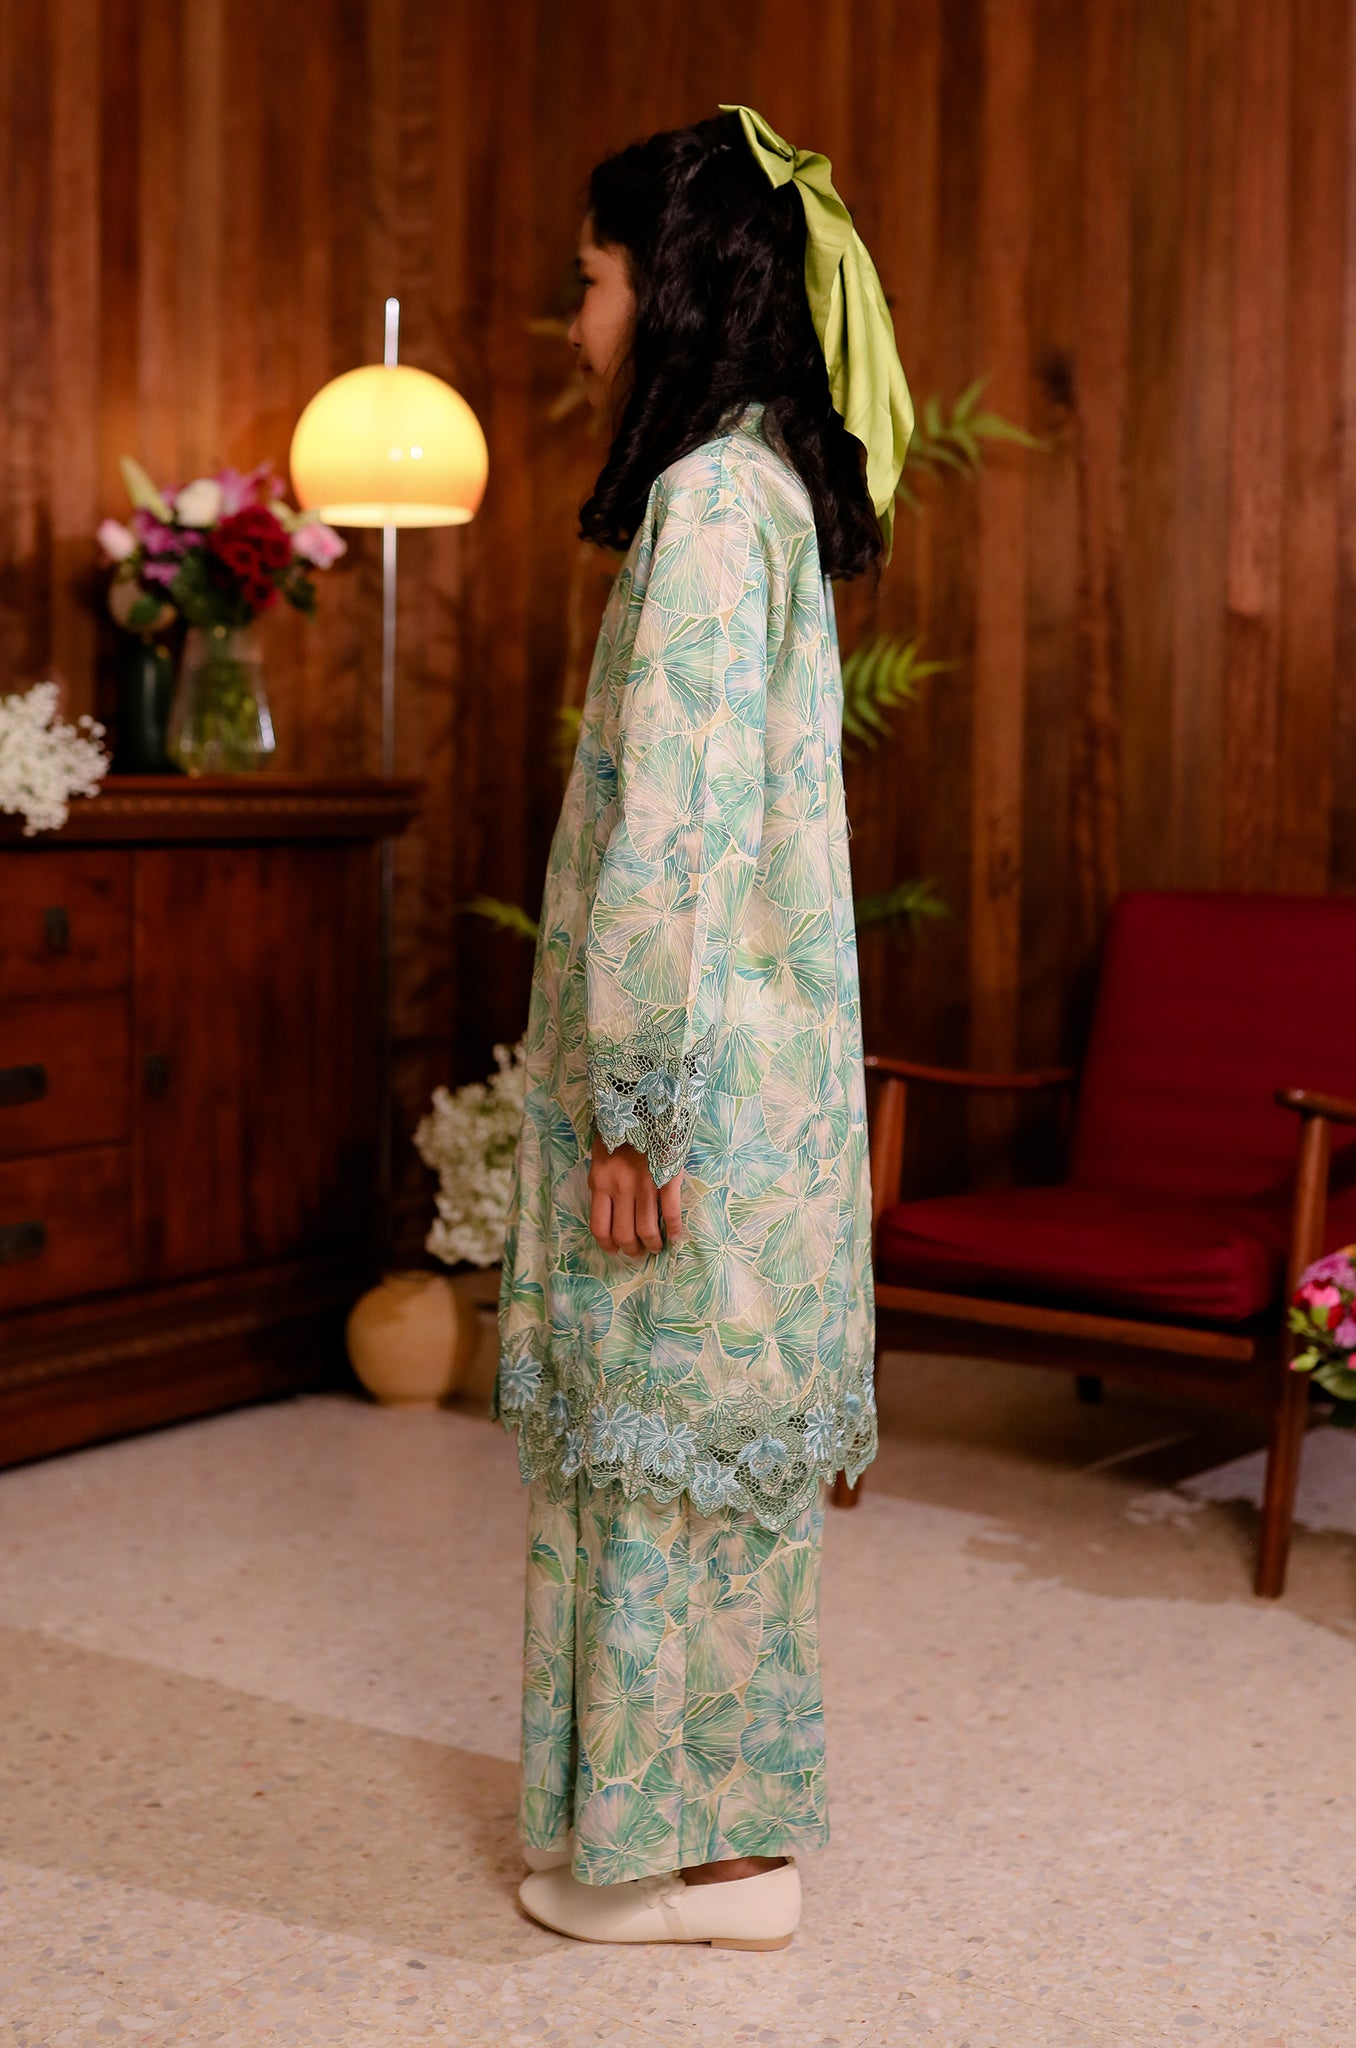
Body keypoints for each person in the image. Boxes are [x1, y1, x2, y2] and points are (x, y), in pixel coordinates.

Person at [495, 104, 913, 1951]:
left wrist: (634, 1107)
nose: (575, 320)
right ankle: (719, 1849)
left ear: (666, 288)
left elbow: (673, 829)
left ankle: (677, 1862)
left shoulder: (706, 507)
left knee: (653, 1454)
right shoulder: (761, 495)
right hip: (769, 1079)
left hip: (694, 1094)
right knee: (704, 1461)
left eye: (588, 280)